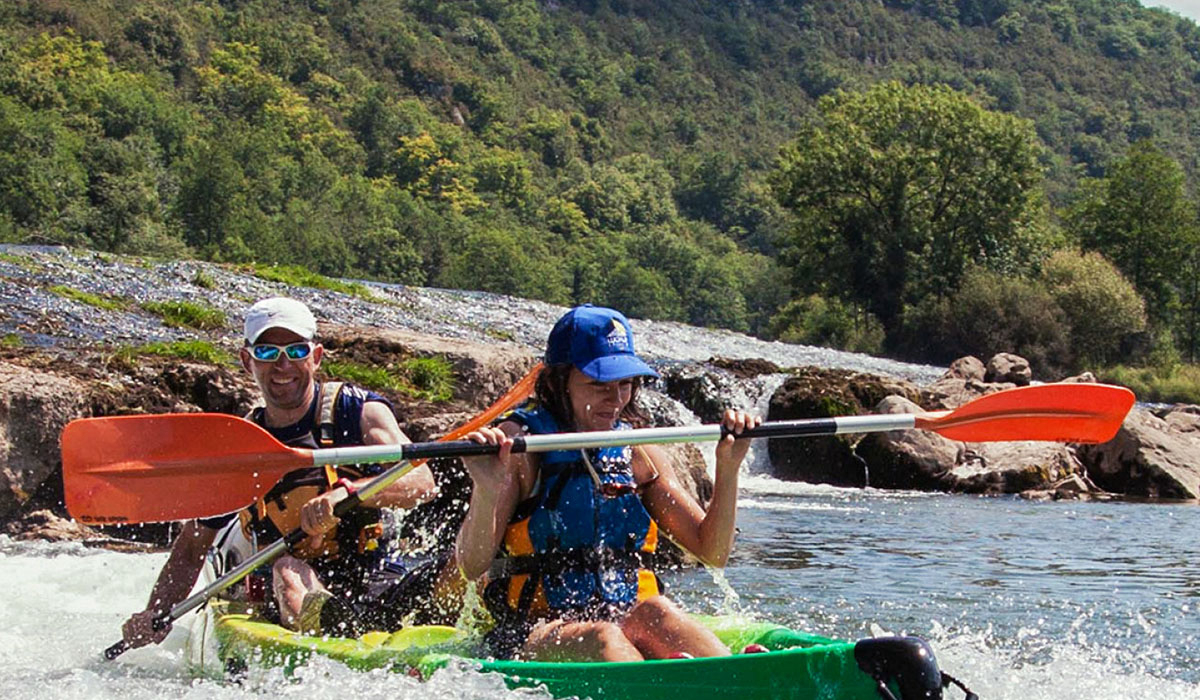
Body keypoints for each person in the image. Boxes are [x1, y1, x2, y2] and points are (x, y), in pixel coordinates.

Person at [121, 297, 437, 648]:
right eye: (268, 353)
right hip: (282, 585)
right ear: (247, 361)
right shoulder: (239, 450)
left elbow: (423, 483)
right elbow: (192, 547)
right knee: (286, 569)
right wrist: (156, 613)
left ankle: (339, 624)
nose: (283, 365)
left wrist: (348, 492)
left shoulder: (357, 411)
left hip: (371, 576)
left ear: (315, 357)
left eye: (296, 351)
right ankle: (328, 633)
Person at [455, 304, 760, 662]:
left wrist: (729, 469)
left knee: (656, 611)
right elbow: (470, 565)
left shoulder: (637, 452)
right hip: (530, 631)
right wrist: (487, 490)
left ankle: (735, 676)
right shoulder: (520, 446)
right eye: (599, 385)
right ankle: (662, 685)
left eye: (625, 384)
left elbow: (713, 552)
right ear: (560, 381)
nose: (616, 401)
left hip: (622, 613)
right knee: (604, 637)